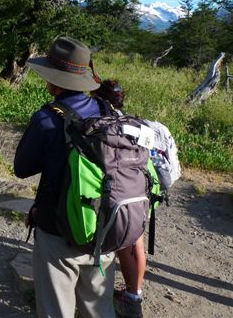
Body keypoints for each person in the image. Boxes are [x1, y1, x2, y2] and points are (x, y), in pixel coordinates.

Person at [14, 37, 116, 318]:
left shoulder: (47, 118)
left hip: (58, 228)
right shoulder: (107, 111)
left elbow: (21, 168)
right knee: (99, 308)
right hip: (104, 225)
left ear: (54, 81)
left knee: (55, 310)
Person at [93, 79, 145, 318]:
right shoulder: (133, 122)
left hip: (121, 193)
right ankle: (135, 293)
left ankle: (131, 302)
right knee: (136, 243)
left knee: (124, 246)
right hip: (141, 191)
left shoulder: (104, 124)